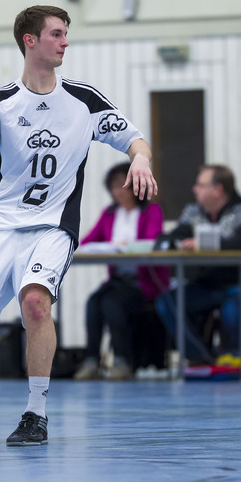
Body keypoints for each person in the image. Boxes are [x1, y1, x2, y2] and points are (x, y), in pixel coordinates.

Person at [0, 5, 158, 446]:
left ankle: (35, 414)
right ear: (30, 40)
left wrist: (140, 159)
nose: (65, 41)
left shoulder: (83, 100)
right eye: (56, 34)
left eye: (65, 33)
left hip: (53, 227)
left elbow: (135, 139)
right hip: (2, 225)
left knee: (36, 304)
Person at [156, 164, 241, 367]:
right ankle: (199, 356)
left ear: (218, 189)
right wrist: (175, 244)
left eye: (200, 185)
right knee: (166, 302)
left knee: (232, 305)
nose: (195, 189)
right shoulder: (193, 211)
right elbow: (171, 237)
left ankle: (233, 356)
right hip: (206, 284)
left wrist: (203, 242)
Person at [74, 162, 169, 380]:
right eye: (115, 186)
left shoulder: (151, 211)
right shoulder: (109, 214)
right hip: (118, 281)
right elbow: (87, 242)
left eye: (124, 185)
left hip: (143, 283)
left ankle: (122, 360)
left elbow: (151, 241)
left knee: (111, 303)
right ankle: (91, 360)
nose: (119, 191)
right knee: (93, 303)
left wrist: (124, 245)